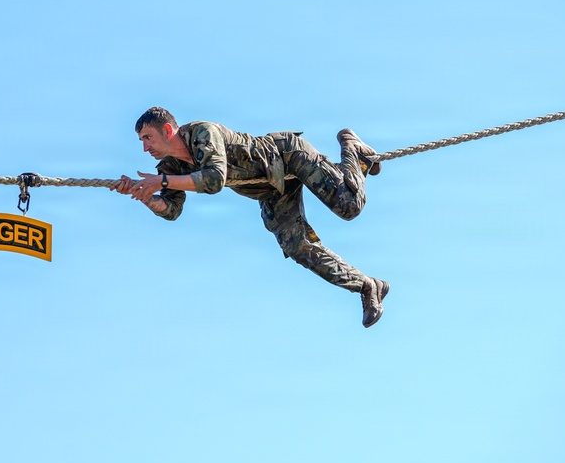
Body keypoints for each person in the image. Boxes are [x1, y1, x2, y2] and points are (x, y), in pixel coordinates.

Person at [112, 107, 390, 328]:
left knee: (349, 207)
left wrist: (161, 181)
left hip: (288, 156)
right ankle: (367, 286)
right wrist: (147, 197)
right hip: (270, 189)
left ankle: (352, 149)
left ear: (168, 130)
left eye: (148, 138)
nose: (145, 148)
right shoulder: (170, 166)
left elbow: (214, 180)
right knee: (298, 248)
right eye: (141, 141)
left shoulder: (201, 133)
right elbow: (172, 210)